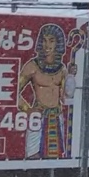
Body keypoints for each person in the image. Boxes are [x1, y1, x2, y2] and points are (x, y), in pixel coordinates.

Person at [18, 24, 70, 159]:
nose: (47, 45)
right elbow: (13, 91)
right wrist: (28, 110)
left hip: (56, 116)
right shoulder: (32, 66)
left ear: (58, 43)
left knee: (56, 156)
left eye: (51, 41)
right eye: (44, 40)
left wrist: (71, 78)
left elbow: (66, 96)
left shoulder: (63, 69)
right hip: (38, 116)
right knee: (33, 155)